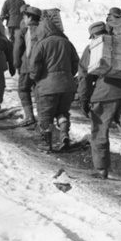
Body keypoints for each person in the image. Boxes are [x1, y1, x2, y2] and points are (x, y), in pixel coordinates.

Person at [78, 21, 121, 183]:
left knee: (100, 131)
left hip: (103, 95)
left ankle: (102, 169)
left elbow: (84, 76)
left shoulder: (93, 48)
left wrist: (84, 98)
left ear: (94, 35)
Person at [29, 15, 80, 151]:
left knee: (46, 115)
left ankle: (46, 143)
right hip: (67, 86)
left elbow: (34, 66)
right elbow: (76, 63)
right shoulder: (67, 43)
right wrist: (68, 75)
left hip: (47, 87)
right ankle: (64, 135)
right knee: (62, 112)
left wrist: (35, 78)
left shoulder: (41, 44)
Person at [12, 6, 42, 127]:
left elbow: (17, 49)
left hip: (27, 66)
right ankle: (42, 117)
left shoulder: (23, 30)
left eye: (25, 16)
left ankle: (29, 116)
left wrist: (16, 64)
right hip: (41, 67)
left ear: (29, 17)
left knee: (23, 90)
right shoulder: (44, 29)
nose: (24, 18)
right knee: (38, 91)